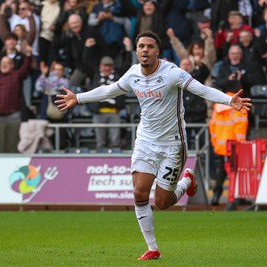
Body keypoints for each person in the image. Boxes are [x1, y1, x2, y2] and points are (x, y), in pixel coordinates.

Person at [55, 31, 251, 260]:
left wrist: (229, 101)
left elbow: (201, 89)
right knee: (139, 192)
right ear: (136, 50)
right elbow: (109, 90)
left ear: (158, 50)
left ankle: (187, 179)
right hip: (146, 141)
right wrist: (78, 98)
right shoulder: (132, 74)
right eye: (141, 46)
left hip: (172, 144)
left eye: (149, 46)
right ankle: (153, 248)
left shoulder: (172, 73)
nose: (145, 50)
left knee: (162, 202)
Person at [209, 86, 249, 205]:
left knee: (221, 172)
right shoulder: (238, 104)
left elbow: (212, 126)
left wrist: (215, 144)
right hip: (234, 146)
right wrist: (241, 145)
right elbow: (240, 126)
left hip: (221, 146)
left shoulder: (218, 107)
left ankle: (216, 195)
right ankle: (238, 197)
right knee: (237, 171)